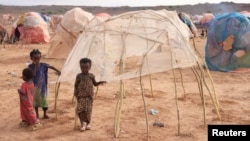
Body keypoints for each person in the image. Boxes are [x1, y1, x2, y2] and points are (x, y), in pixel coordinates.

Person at [74, 58, 106, 132]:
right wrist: (75, 93)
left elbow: (95, 84)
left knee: (88, 110)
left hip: (89, 96)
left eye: (86, 67)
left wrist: (100, 82)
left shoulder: (91, 76)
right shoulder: (79, 76)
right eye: (82, 67)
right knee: (80, 110)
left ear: (90, 67)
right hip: (81, 96)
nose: (84, 69)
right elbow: (76, 85)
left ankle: (88, 123)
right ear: (80, 67)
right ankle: (83, 123)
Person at [28, 49, 61, 119]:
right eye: (35, 59)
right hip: (34, 88)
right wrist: (35, 67)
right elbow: (32, 74)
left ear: (40, 58)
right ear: (31, 58)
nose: (37, 60)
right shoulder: (30, 67)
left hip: (43, 87)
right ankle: (37, 114)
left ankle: (45, 114)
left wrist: (58, 71)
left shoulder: (43, 65)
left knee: (44, 102)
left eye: (38, 58)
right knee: (36, 102)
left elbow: (51, 66)